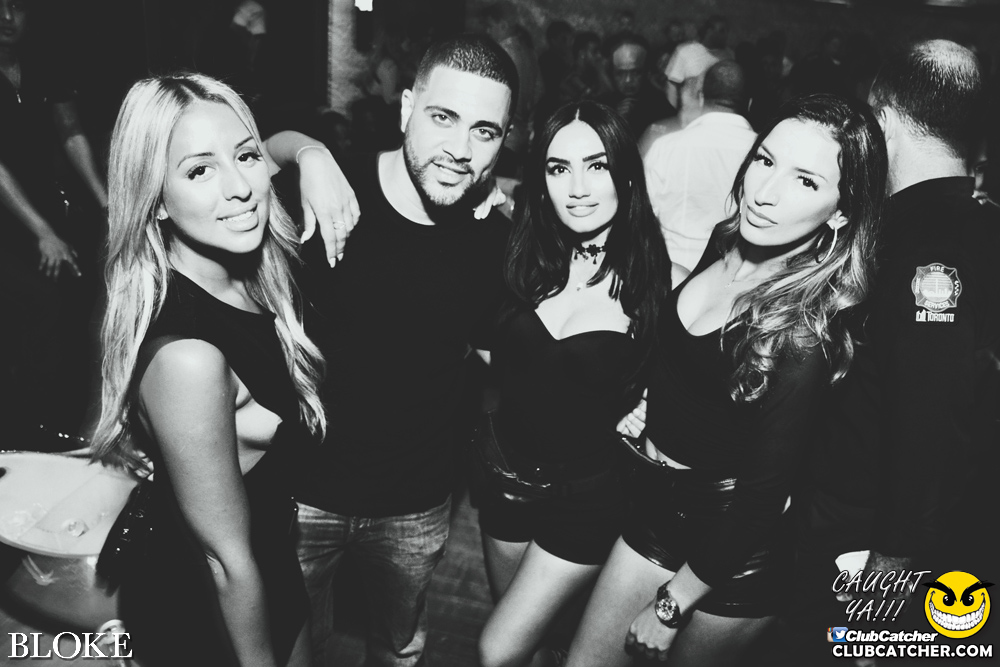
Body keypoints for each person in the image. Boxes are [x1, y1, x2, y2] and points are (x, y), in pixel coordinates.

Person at [567, 93, 887, 666]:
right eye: (765, 160)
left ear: (841, 212)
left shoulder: (802, 332)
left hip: (735, 556)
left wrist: (672, 607)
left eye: (806, 181)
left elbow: (763, 499)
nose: (765, 192)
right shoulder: (726, 239)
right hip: (657, 512)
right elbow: (689, 359)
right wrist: (652, 403)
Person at [90, 73, 339, 667]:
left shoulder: (245, 278)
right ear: (156, 201)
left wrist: (313, 154)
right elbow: (224, 562)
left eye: (244, 157)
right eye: (200, 171)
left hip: (268, 560)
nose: (241, 188)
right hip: (209, 604)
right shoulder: (190, 357)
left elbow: (274, 147)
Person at [291, 35, 516, 667]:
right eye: (443, 117)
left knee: (398, 647)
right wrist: (305, 151)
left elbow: (508, 353)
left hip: (416, 504)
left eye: (484, 132)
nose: (460, 149)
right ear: (407, 107)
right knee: (286, 641)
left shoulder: (495, 239)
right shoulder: (329, 190)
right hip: (301, 491)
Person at [794, 39, 1000, 661]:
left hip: (869, 538)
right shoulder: (978, 221)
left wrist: (883, 586)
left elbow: (929, 422)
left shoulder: (927, 247)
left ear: (882, 119)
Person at [477, 100, 680, 667]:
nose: (578, 188)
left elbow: (693, 392)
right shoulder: (523, 253)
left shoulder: (657, 286)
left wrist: (650, 403)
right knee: (535, 643)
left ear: (625, 174)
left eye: (597, 166)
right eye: (559, 168)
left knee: (496, 649)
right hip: (503, 480)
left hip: (584, 500)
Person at [1, 0, 109, 440]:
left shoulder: (43, 62)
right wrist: (43, 232)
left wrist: (105, 202)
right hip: (10, 221)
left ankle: (69, 425)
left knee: (80, 302)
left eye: (17, 7)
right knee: (38, 304)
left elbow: (71, 131)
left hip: (45, 205)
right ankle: (28, 431)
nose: (7, 18)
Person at [644, 60, 756, 272]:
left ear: (702, 97)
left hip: (668, 269)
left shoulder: (666, 147)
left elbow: (643, 215)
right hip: (733, 274)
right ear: (750, 103)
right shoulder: (763, 153)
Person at [599, 35, 674, 139]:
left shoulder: (660, 104)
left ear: (646, 71)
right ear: (611, 73)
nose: (628, 80)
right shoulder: (602, 107)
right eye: (620, 73)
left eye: (635, 73)